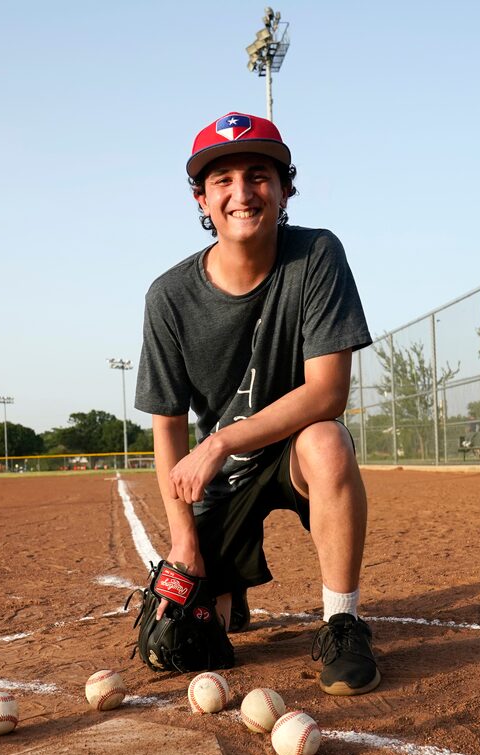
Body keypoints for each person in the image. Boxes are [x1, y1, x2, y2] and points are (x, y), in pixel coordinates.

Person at [134, 111, 379, 696]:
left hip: (286, 450)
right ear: (201, 198)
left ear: (286, 187)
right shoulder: (169, 297)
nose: (242, 193)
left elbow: (328, 392)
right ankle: (229, 583)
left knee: (327, 439)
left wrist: (219, 441)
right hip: (223, 482)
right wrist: (185, 544)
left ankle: (342, 623)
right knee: (187, 646)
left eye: (258, 174)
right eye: (222, 180)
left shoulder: (316, 255)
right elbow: (167, 429)